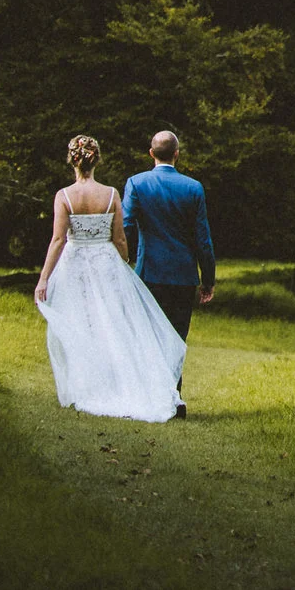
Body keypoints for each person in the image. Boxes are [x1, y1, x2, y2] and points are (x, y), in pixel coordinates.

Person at [33, 135, 185, 422]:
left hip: (75, 265)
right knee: (111, 323)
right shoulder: (111, 194)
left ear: (72, 160)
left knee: (82, 322)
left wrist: (44, 279)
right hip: (105, 263)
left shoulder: (64, 196)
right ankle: (114, 383)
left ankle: (87, 386)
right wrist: (123, 262)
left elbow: (57, 241)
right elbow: (120, 238)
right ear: (96, 159)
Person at [123, 129, 216, 408]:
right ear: (177, 154)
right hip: (183, 275)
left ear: (151, 153)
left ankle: (151, 398)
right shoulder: (193, 187)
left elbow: (126, 225)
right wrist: (207, 279)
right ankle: (173, 398)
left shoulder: (136, 184)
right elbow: (203, 239)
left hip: (149, 272)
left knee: (149, 335)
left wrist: (122, 259)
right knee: (177, 337)